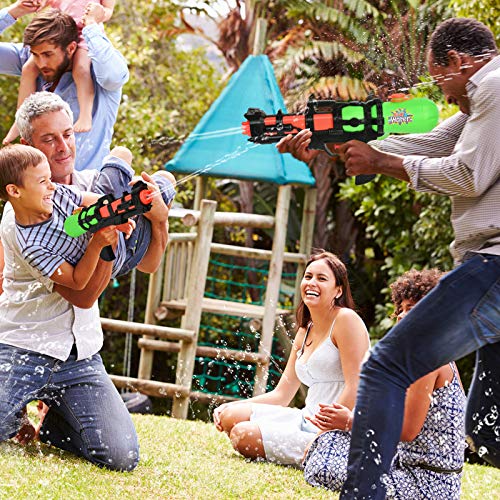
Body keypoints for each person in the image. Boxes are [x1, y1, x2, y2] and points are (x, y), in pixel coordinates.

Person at [278, 17, 499, 497]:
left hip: (493, 264)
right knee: (487, 426)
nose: (444, 92)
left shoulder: (495, 86)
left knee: (386, 365)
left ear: (460, 63)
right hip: (489, 265)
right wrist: (336, 146)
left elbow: (467, 174)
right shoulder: (481, 99)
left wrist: (379, 162)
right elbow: (436, 143)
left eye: (440, 78)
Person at [303, 269, 466, 499]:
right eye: (400, 309)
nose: (400, 316)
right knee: (332, 441)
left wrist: (349, 421)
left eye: (411, 309)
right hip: (406, 468)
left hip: (428, 486)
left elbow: (407, 430)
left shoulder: (427, 358)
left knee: (326, 463)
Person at [213, 251, 370, 467]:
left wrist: (321, 436)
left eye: (322, 279)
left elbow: (356, 386)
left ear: (338, 290)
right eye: (308, 277)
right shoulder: (305, 331)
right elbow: (281, 395)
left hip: (335, 430)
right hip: (305, 418)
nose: (312, 283)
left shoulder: (346, 320)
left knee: (242, 435)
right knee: (230, 415)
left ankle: (313, 453)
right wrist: (233, 404)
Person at [0, 1, 129, 171]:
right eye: (36, 55)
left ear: (70, 48)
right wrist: (15, 11)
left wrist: (91, 26)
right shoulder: (33, 60)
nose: (41, 62)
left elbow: (113, 77)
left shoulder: (99, 69)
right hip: (40, 189)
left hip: (88, 189)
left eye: (48, 54)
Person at [0, 144, 142, 289]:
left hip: (105, 223)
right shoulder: (33, 246)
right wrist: (97, 244)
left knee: (121, 154)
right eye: (43, 181)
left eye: (49, 178)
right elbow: (77, 282)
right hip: (114, 258)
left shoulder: (54, 193)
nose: (52, 186)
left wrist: (115, 213)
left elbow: (87, 198)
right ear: (14, 191)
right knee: (164, 182)